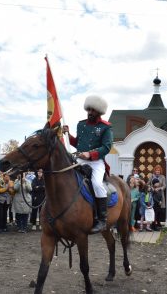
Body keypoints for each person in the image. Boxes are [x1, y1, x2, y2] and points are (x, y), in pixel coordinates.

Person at [63, 95, 113, 234]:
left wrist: (90, 154)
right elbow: (78, 143)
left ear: (99, 111)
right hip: (79, 159)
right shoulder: (81, 124)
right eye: (89, 109)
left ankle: (102, 220)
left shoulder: (105, 127)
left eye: (93, 110)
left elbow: (106, 147)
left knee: (97, 184)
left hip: (96, 162)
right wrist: (68, 135)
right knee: (65, 178)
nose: (90, 112)